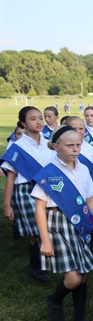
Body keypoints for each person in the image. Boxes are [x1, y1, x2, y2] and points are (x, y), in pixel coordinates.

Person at [32, 126, 93, 321]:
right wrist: (45, 240)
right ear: (56, 147)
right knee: (73, 278)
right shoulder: (49, 172)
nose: (75, 149)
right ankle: (55, 299)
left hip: (80, 224)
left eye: (78, 145)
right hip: (56, 225)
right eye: (69, 145)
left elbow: (90, 200)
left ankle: (80, 318)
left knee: (82, 274)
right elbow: (39, 209)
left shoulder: (82, 169)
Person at [1, 107, 54, 282]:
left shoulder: (49, 143)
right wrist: (7, 204)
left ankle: (44, 263)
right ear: (23, 123)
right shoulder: (18, 147)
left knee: (47, 228)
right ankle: (36, 267)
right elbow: (10, 177)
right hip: (25, 191)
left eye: (40, 118)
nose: (39, 122)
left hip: (46, 191)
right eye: (33, 119)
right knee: (38, 230)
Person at [64, 116, 93, 262]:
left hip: (89, 187)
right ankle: (78, 248)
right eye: (74, 128)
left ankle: (91, 245)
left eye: (81, 128)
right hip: (71, 190)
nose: (78, 131)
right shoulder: (64, 146)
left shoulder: (89, 147)